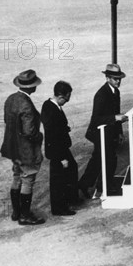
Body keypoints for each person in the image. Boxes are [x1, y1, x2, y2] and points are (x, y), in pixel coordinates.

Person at [0, 69, 45, 226]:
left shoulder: (11, 99)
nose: (36, 87)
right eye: (34, 84)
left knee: (16, 177)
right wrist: (39, 136)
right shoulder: (26, 105)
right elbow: (29, 131)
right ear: (30, 87)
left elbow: (7, 120)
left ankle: (16, 211)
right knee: (28, 180)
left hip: (13, 148)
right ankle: (25, 215)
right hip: (26, 150)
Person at [78, 64, 128, 197]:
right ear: (107, 78)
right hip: (98, 132)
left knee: (98, 160)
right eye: (114, 78)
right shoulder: (101, 94)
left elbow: (116, 113)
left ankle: (84, 184)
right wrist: (114, 118)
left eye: (119, 79)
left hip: (109, 132)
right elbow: (95, 119)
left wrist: (120, 132)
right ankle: (105, 186)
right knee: (110, 158)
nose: (118, 81)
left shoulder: (116, 92)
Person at [40, 81, 77, 216]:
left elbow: (56, 127)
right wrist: (62, 157)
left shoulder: (48, 105)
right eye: (66, 99)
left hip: (59, 148)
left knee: (71, 169)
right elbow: (53, 135)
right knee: (58, 180)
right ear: (61, 96)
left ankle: (68, 200)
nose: (66, 102)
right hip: (58, 151)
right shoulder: (52, 110)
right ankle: (59, 208)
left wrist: (64, 128)